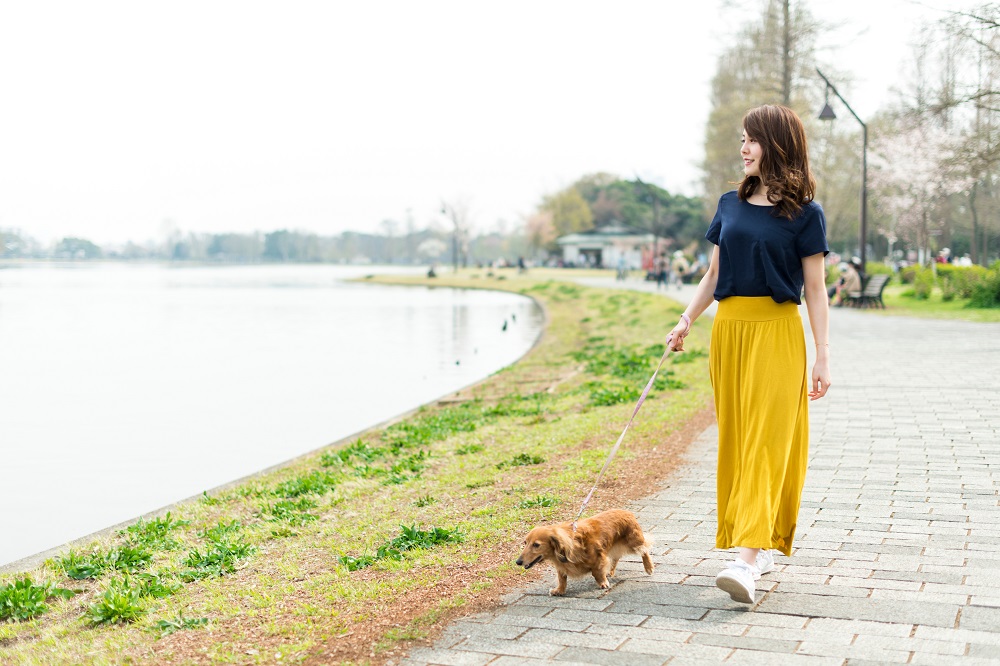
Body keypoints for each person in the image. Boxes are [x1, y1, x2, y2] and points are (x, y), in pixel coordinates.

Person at [666, 104, 831, 604]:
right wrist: (686, 319)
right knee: (739, 441)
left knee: (767, 441)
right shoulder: (729, 204)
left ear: (776, 145)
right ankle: (746, 545)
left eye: (751, 140)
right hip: (730, 331)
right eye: (742, 139)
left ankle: (748, 560)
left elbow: (817, 290)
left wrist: (823, 356)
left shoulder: (806, 215)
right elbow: (714, 275)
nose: (743, 149)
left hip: (777, 332)